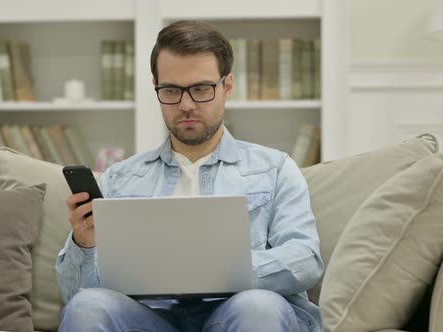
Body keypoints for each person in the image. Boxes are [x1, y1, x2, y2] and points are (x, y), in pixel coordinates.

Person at [56, 20, 324, 332]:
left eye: (200, 89)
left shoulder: (275, 169)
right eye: (171, 90)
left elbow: (305, 260)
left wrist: (216, 271)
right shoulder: (120, 179)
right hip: (150, 320)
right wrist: (85, 245)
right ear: (156, 86)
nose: (186, 105)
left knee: (258, 305)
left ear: (226, 87)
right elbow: (75, 292)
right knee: (88, 307)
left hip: (240, 313)